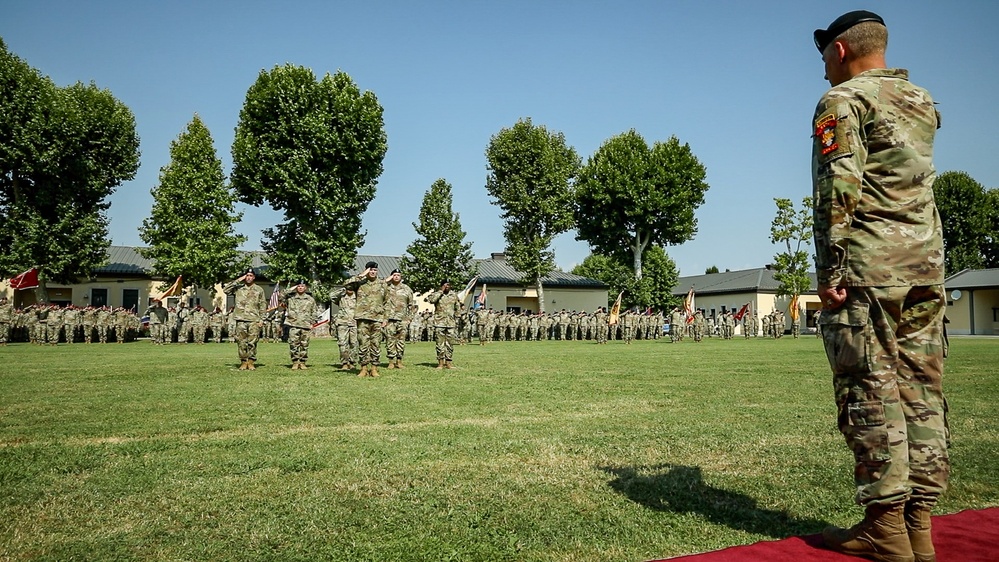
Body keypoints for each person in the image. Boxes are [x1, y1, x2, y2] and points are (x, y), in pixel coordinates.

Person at [811, 11, 949, 562]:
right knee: (922, 391)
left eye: (824, 56)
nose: (823, 70)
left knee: (869, 387)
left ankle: (885, 526)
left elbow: (836, 190)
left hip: (869, 270)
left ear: (840, 51)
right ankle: (920, 525)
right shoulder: (922, 100)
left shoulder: (844, 102)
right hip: (925, 269)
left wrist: (829, 273)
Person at [343, 261, 389, 377]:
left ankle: (374, 368)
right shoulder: (359, 283)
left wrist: (386, 318)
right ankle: (363, 368)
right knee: (363, 343)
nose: (373, 272)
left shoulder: (382, 284)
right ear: (367, 270)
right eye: (370, 270)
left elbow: (387, 302)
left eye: (374, 270)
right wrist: (361, 275)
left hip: (377, 318)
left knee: (376, 344)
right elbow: (345, 284)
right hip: (362, 317)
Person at [222, 268, 268, 370]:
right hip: (241, 319)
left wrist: (262, 319)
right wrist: (239, 280)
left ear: (254, 277)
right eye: (247, 275)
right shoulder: (238, 288)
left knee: (252, 342)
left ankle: (251, 362)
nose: (248, 278)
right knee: (241, 342)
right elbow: (225, 290)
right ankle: (243, 361)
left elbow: (262, 305)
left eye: (251, 276)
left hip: (253, 319)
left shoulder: (259, 290)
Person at [281, 280, 319, 370]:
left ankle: (302, 362)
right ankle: (295, 362)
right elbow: (281, 295)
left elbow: (314, 312)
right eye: (298, 286)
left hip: (305, 325)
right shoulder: (290, 298)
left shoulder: (310, 299)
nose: (300, 288)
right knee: (293, 345)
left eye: (302, 286)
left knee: (304, 345)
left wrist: (312, 323)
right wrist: (292, 288)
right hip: (293, 324)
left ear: (305, 288)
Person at [383, 268, 416, 369]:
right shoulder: (386, 288)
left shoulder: (406, 289)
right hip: (389, 319)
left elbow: (411, 305)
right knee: (390, 340)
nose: (396, 277)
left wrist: (409, 318)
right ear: (391, 276)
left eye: (398, 275)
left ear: (401, 277)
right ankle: (391, 361)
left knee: (401, 341)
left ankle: (399, 361)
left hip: (402, 320)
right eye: (394, 275)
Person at [425, 279, 461, 369]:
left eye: (448, 284)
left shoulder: (454, 295)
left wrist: (457, 317)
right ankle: (440, 362)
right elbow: (432, 300)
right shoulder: (436, 294)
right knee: (440, 344)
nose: (447, 286)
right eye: (445, 285)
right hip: (439, 322)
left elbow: (457, 307)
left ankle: (448, 362)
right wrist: (441, 291)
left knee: (450, 344)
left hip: (451, 323)